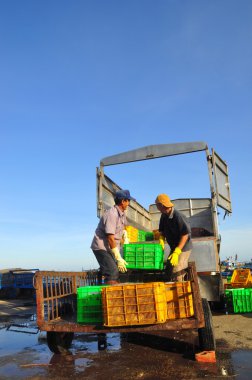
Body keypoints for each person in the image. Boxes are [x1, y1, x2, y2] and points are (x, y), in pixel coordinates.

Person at [91, 189, 135, 285]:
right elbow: (110, 238)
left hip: (109, 248)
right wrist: (118, 258)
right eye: (128, 201)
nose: (129, 203)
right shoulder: (112, 214)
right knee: (112, 272)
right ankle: (110, 297)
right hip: (101, 247)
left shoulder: (122, 214)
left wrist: (125, 235)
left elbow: (120, 228)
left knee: (118, 270)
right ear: (123, 201)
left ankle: (107, 280)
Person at [155, 193, 192, 282]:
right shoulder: (163, 216)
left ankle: (180, 292)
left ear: (162, 205)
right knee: (168, 269)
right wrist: (161, 240)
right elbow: (162, 231)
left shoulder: (178, 216)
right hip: (173, 247)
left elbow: (185, 234)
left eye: (157, 205)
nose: (157, 208)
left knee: (177, 271)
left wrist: (177, 251)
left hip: (183, 248)